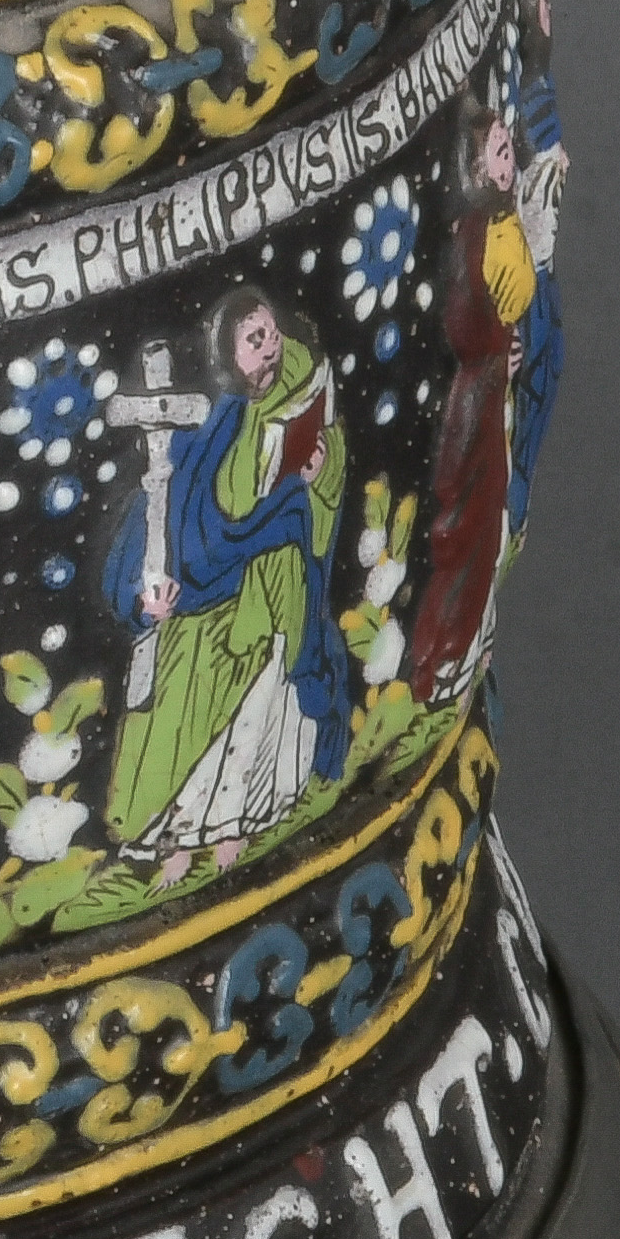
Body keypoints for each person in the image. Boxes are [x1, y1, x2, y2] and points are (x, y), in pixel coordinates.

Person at [103, 288, 351, 883]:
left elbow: (322, 484)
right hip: (213, 590)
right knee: (182, 703)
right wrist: (150, 589)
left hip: (276, 588)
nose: (270, 348)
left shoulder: (304, 389)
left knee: (262, 708)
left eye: (272, 333)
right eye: (253, 340)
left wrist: (319, 477)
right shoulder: (217, 421)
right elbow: (184, 509)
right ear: (228, 359)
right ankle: (175, 834)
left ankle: (238, 823)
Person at [409, 108, 538, 702]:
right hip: (476, 396)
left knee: (491, 523)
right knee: (469, 523)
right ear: (478, 169)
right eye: (501, 155)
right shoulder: (474, 235)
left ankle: (468, 645)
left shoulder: (504, 222)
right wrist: (493, 358)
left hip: (496, 385)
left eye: (511, 151)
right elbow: (462, 322)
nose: (511, 164)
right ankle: (441, 654)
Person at [505, 0, 568, 547]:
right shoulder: (524, 104)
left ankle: (512, 513)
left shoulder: (533, 92)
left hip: (538, 275)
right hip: (524, 282)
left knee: (547, 369)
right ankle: (510, 507)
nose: (548, 8)